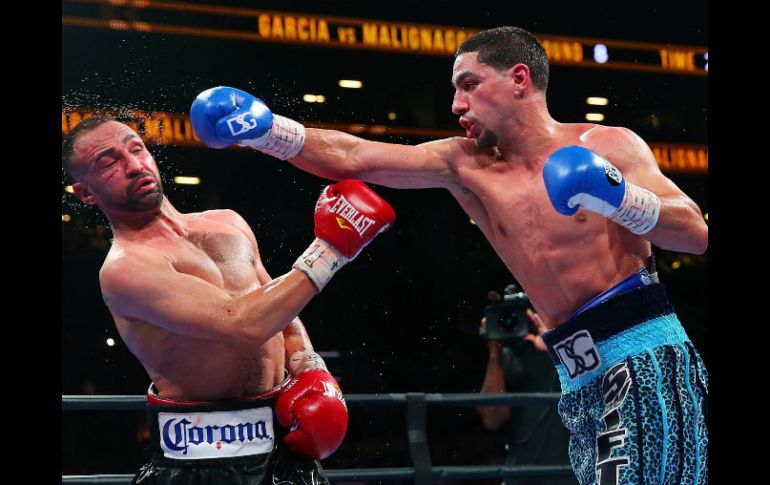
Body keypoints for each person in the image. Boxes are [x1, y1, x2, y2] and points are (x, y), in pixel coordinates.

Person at [189, 25, 708, 485]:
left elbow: (694, 233)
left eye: (469, 84)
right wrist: (265, 131)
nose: (457, 105)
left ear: (519, 79)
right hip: (578, 377)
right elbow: (353, 155)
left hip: (643, 356)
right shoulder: (464, 165)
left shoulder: (608, 145)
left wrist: (618, 195)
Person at [61, 115, 396, 485]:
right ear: (86, 193)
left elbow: (279, 311)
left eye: (136, 148)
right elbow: (242, 322)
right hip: (202, 461)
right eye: (108, 162)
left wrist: (311, 368)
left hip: (283, 448)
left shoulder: (228, 223)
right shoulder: (126, 268)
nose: (133, 164)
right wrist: (329, 251)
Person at [477, 308, 576, 485]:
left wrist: (555, 345)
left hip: (573, 476)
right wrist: (494, 351)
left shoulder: (576, 348)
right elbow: (492, 419)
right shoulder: (507, 358)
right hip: (522, 476)